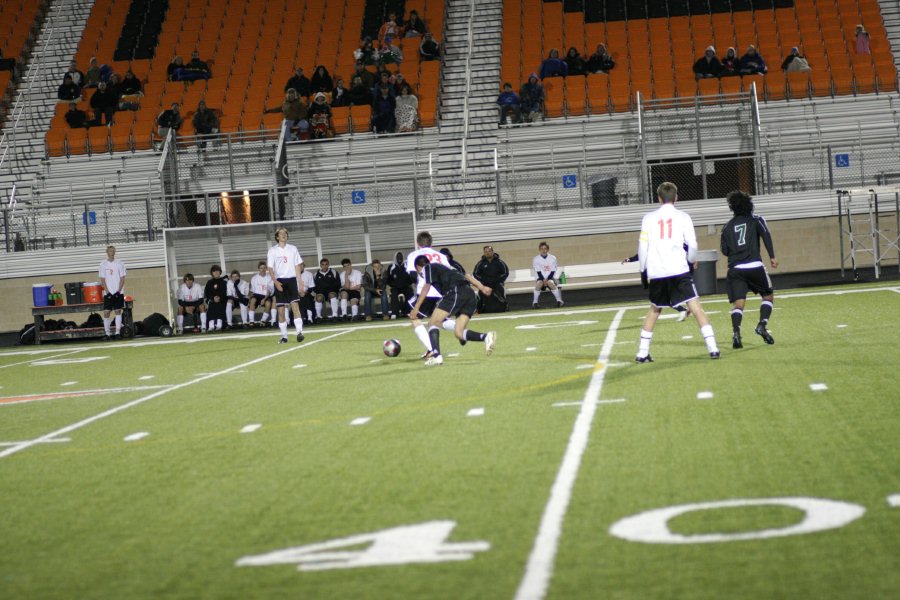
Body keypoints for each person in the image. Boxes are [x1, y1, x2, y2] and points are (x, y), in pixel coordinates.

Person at [634, 182, 720, 362]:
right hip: (678, 269)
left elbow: (643, 248)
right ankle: (713, 348)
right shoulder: (683, 217)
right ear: (676, 197)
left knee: (655, 310)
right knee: (695, 307)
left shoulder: (648, 218)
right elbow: (693, 244)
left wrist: (643, 270)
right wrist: (690, 260)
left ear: (658, 198)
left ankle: (642, 353)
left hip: (657, 271)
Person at [411, 255, 497, 366]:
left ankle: (437, 356)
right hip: (470, 294)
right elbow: (466, 276)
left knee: (432, 322)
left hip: (456, 291)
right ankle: (486, 337)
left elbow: (426, 287)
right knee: (458, 332)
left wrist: (416, 307)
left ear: (418, 267)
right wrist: (481, 287)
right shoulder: (446, 268)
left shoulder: (428, 267)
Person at [720, 190, 778, 349]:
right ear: (749, 205)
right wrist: (772, 257)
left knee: (738, 305)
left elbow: (724, 251)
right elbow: (766, 236)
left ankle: (736, 332)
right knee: (768, 297)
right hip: (754, 266)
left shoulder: (726, 227)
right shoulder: (756, 220)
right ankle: (762, 325)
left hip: (736, 269)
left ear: (732, 207)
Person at [406, 231, 460, 359]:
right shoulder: (440, 256)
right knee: (440, 320)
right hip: (441, 292)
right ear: (431, 243)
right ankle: (461, 328)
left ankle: (431, 349)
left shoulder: (414, 255)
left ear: (418, 243)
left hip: (426, 292)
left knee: (415, 318)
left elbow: (413, 275)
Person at [266, 227, 305, 343]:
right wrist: (275, 281)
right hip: (280, 281)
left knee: (295, 306)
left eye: (285, 233)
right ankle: (284, 336)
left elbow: (297, 265)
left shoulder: (293, 249)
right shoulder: (272, 251)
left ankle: (299, 332)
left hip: (292, 280)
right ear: (277, 237)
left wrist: (300, 282)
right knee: (281, 310)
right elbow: (270, 268)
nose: (283, 235)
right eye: (281, 233)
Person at [99, 245, 127, 340]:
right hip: (108, 293)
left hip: (118, 292)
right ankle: (107, 334)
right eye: (110, 251)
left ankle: (117, 333)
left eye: (113, 251)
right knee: (106, 312)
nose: (112, 253)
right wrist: (107, 291)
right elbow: (102, 279)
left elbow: (122, 278)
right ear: (107, 252)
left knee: (118, 311)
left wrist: (118, 291)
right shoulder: (103, 264)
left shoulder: (120, 263)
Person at [473, 245, 509, 313]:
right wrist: (484, 280)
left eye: (489, 251)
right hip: (485, 285)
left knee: (500, 293)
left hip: (497, 283)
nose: (488, 253)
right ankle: (480, 310)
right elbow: (475, 274)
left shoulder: (500, 262)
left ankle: (504, 307)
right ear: (484, 253)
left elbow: (505, 273)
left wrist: (497, 280)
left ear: (492, 252)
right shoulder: (480, 263)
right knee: (481, 294)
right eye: (486, 252)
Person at [532, 241, 564, 308]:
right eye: (542, 249)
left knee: (550, 282)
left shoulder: (552, 258)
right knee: (539, 284)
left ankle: (559, 301)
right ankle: (535, 303)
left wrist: (547, 279)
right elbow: (538, 272)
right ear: (539, 250)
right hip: (541, 278)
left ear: (548, 249)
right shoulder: (536, 259)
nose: (543, 250)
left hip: (550, 277)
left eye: (545, 248)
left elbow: (553, 271)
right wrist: (543, 280)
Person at [385, 251, 414, 319]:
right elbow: (388, 279)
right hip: (396, 287)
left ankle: (408, 311)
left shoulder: (407, 265)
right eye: (398, 256)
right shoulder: (391, 266)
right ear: (395, 258)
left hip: (406, 286)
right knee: (394, 294)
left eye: (401, 256)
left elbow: (411, 277)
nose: (399, 258)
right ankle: (394, 313)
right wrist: (393, 285)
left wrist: (407, 284)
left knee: (410, 293)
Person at [313, 257, 341, 322]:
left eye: (326, 264)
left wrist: (334, 291)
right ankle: (319, 317)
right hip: (321, 292)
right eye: (323, 264)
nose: (324, 266)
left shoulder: (334, 272)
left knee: (332, 295)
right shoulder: (316, 274)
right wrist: (317, 293)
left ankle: (334, 315)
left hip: (331, 292)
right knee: (318, 297)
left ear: (328, 265)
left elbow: (338, 284)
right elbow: (314, 286)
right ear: (320, 265)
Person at [248, 260, 275, 327]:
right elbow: (252, 291)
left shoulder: (269, 278)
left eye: (264, 268)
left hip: (266, 295)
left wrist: (264, 299)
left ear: (266, 269)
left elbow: (269, 290)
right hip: (257, 295)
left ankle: (263, 321)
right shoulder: (254, 278)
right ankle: (251, 321)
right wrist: (250, 299)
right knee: (252, 301)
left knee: (268, 304)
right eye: (261, 268)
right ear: (259, 269)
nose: (263, 269)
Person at [204, 265, 228, 332]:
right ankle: (211, 325)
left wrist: (219, 297)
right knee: (212, 305)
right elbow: (207, 293)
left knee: (219, 305)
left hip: (222, 300)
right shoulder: (209, 282)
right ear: (212, 273)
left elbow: (225, 292)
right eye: (214, 271)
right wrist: (213, 298)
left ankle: (219, 324)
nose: (216, 272)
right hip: (212, 300)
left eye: (217, 271)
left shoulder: (224, 282)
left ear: (220, 272)